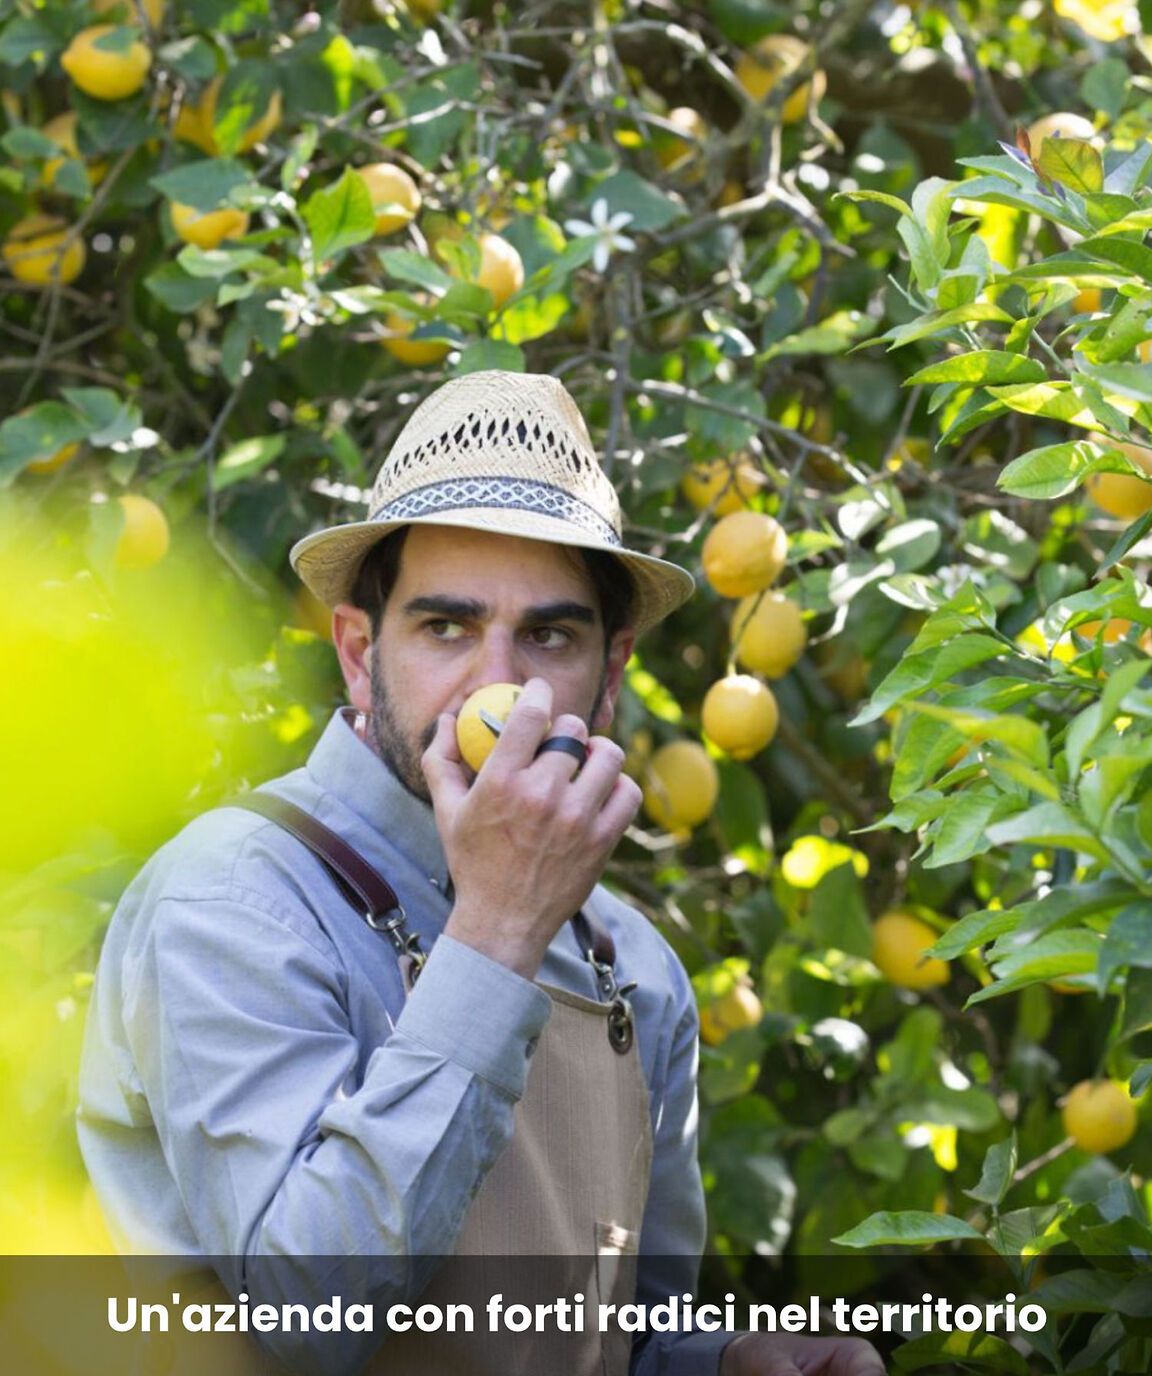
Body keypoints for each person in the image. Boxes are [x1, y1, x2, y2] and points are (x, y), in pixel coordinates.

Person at [78, 371, 883, 1376]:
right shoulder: (233, 900)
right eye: (446, 627)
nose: (498, 682)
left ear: (613, 668)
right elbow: (297, 1322)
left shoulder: (628, 958)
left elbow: (625, 1336)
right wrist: (498, 930)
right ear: (358, 649)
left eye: (549, 634)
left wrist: (721, 1364)